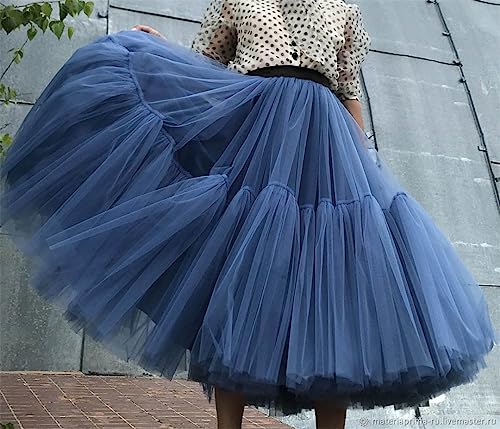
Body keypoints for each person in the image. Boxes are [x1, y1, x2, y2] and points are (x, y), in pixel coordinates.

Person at [0, 1, 496, 429]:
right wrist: (156, 48)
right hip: (251, 143)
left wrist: (364, 168)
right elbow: (202, 67)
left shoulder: (344, 11)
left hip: (325, 151)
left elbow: (348, 91)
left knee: (337, 286)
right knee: (236, 282)